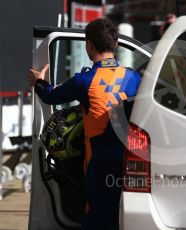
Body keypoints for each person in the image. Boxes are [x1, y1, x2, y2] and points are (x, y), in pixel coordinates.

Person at [27, 18, 141, 230]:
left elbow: (50, 95)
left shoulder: (85, 81)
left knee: (96, 218)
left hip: (100, 162)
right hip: (133, 161)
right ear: (115, 44)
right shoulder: (135, 77)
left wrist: (38, 81)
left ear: (89, 45)